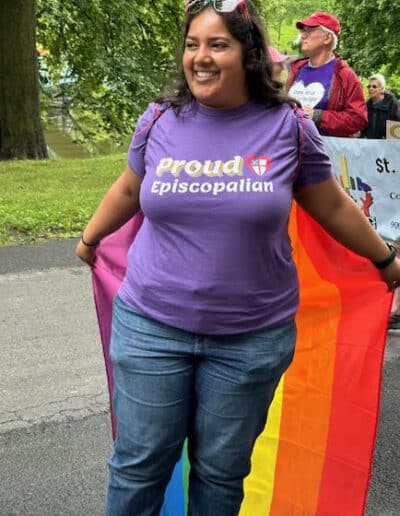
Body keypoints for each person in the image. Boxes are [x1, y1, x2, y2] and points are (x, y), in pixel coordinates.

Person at [75, 1, 400, 514]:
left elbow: (333, 204)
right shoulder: (160, 119)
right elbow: (130, 187)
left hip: (251, 340)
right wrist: (92, 238)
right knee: (139, 465)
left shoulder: (288, 126)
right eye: (191, 45)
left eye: (217, 45)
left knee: (221, 474)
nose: (200, 58)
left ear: (248, 56)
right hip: (151, 329)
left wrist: (385, 260)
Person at [286, 11, 367, 137]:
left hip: (328, 152)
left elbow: (358, 119)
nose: (303, 36)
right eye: (303, 32)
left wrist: (317, 116)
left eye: (310, 31)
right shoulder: (295, 69)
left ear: (327, 38)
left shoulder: (345, 75)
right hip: (292, 150)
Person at [360, 73, 400, 139]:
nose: (370, 88)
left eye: (374, 86)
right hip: (370, 145)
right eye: (369, 86)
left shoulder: (392, 103)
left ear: (382, 89)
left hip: (387, 145)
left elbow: (397, 127)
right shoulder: (366, 105)